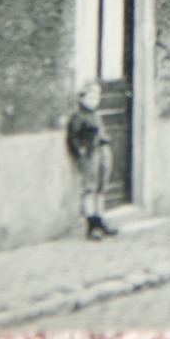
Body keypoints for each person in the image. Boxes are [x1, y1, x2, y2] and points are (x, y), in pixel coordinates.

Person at [67, 80, 119, 241]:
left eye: (97, 97)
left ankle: (100, 220)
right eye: (90, 97)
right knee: (90, 189)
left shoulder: (96, 115)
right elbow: (73, 138)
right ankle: (91, 226)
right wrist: (81, 152)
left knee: (101, 188)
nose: (94, 101)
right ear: (81, 99)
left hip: (102, 151)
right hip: (90, 154)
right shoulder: (78, 117)